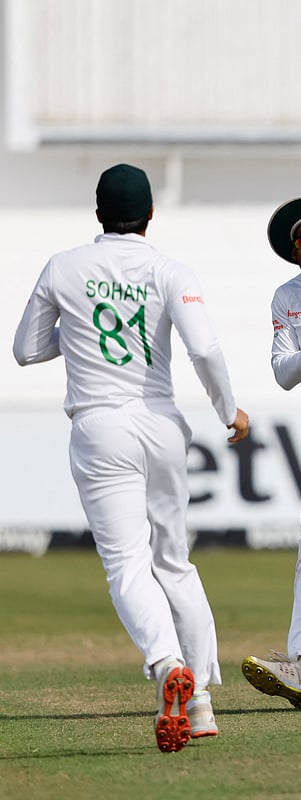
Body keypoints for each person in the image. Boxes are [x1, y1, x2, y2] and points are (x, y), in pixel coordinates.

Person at [13, 163, 250, 752]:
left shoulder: (63, 266)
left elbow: (25, 350)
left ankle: (167, 661)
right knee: (175, 562)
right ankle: (199, 704)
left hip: (100, 426)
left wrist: (77, 333)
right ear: (149, 216)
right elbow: (204, 347)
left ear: (97, 214)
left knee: (126, 564)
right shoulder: (170, 269)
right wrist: (229, 412)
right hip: (163, 423)